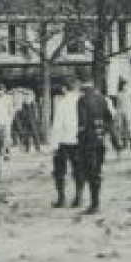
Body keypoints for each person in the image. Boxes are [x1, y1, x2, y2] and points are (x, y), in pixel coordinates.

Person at [74, 80, 118, 214]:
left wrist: (79, 136)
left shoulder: (82, 100)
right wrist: (112, 138)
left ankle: (94, 205)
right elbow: (109, 119)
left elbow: (82, 122)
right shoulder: (102, 99)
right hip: (100, 140)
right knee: (97, 172)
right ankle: (96, 202)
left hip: (87, 141)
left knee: (89, 172)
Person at [50, 78, 84, 208]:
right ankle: (79, 197)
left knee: (59, 171)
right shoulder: (82, 101)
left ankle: (61, 198)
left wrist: (54, 145)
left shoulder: (62, 103)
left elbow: (57, 126)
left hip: (64, 141)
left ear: (64, 88)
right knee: (79, 170)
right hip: (79, 141)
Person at [113, 77, 131, 152]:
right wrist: (116, 112)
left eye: (125, 85)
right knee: (121, 128)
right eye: (122, 85)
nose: (124, 87)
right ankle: (124, 143)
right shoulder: (119, 94)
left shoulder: (130, 92)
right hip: (121, 112)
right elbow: (117, 105)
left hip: (129, 111)